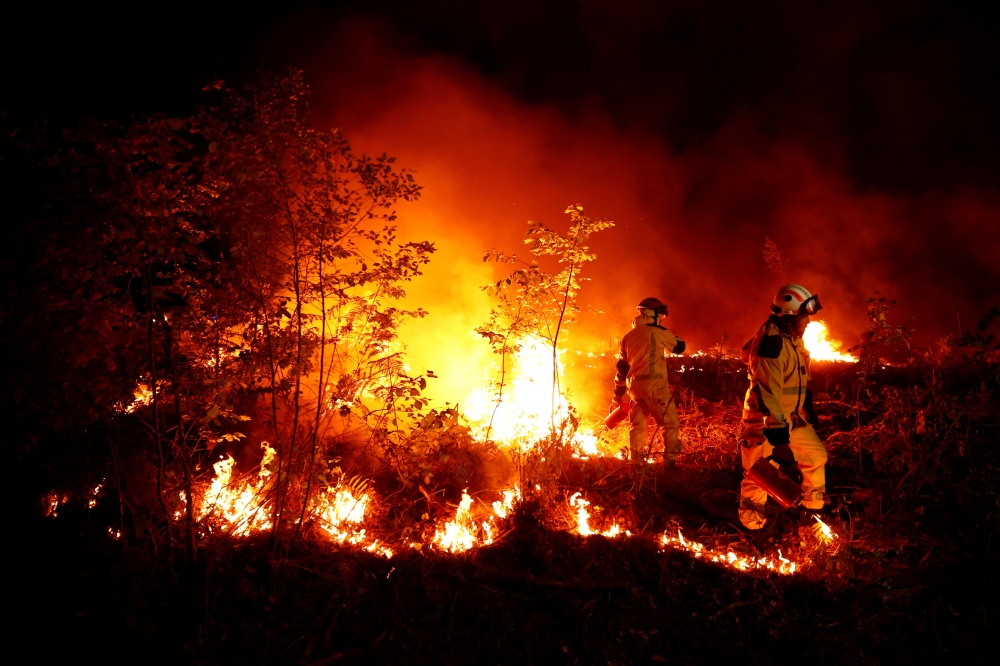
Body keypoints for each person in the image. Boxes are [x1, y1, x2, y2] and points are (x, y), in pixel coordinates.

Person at [738, 284, 829, 530]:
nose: (808, 321)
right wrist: (779, 441)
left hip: (792, 418)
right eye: (804, 315)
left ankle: (811, 517)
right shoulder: (771, 344)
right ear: (790, 316)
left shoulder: (791, 339)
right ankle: (752, 530)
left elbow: (797, 380)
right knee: (761, 474)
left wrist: (807, 407)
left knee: (816, 457)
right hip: (767, 422)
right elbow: (768, 395)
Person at [611, 297, 687, 468]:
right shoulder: (658, 331)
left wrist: (617, 395)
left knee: (637, 426)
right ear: (652, 313)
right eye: (660, 314)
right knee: (670, 424)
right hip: (655, 386)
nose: (661, 318)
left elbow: (621, 369)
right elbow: (679, 348)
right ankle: (670, 464)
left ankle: (636, 464)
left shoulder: (627, 337)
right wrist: (673, 335)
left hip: (635, 389)